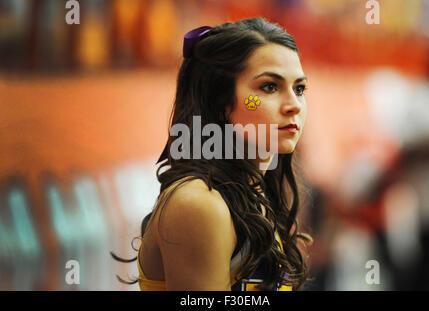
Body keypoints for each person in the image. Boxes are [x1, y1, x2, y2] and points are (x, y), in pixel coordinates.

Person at [112, 17, 312, 291]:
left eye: (299, 88)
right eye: (269, 87)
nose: (294, 105)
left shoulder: (254, 190)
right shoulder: (200, 204)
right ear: (220, 102)